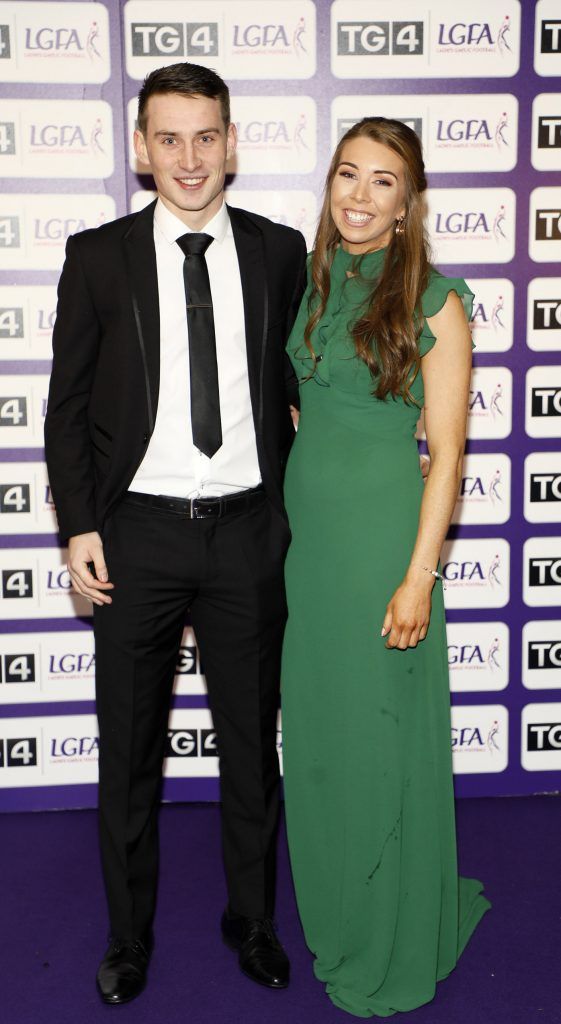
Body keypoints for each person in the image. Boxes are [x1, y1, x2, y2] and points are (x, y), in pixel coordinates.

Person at [44, 62, 306, 1004]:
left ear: (232, 144)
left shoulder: (281, 252)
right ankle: (128, 937)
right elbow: (65, 409)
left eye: (206, 136)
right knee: (128, 755)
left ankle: (254, 920)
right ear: (140, 148)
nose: (189, 158)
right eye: (169, 138)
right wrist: (78, 527)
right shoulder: (99, 256)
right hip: (138, 537)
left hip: (247, 538)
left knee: (250, 751)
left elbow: (305, 389)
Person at [281, 117, 490, 1018]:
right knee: (324, 744)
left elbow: (444, 453)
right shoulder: (313, 282)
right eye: (347, 176)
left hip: (378, 551)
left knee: (374, 741)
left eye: (382, 183)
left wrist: (419, 575)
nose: (359, 197)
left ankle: (388, 929)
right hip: (309, 555)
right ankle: (337, 910)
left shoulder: (436, 299)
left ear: (408, 206)